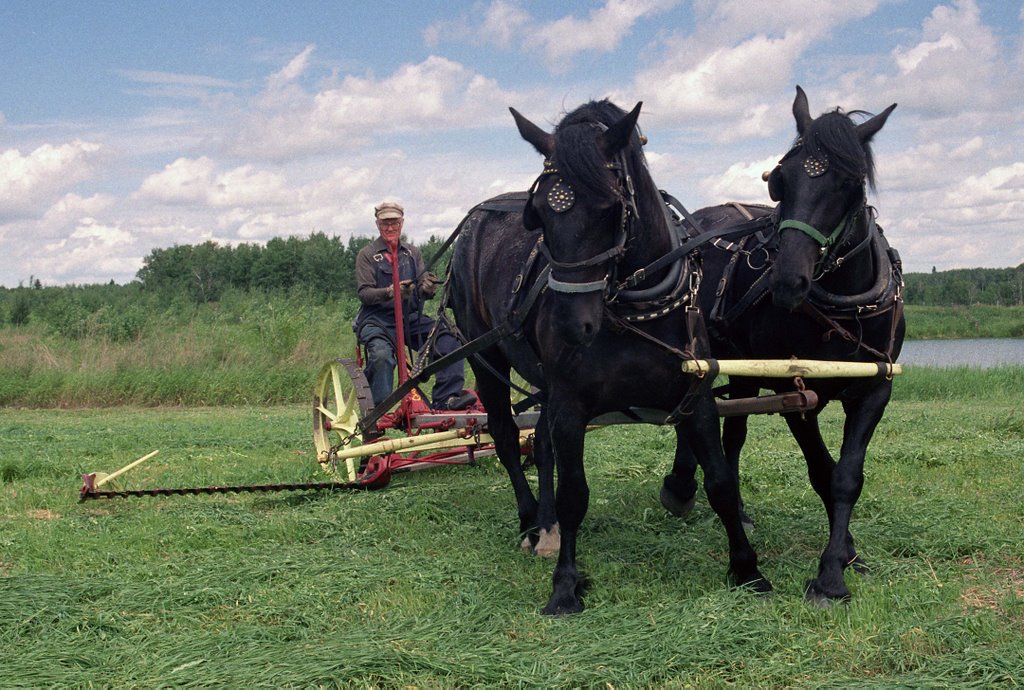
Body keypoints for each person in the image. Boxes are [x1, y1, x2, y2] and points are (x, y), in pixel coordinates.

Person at [352, 200, 476, 410]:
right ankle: (377, 412)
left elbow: (420, 287)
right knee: (382, 357)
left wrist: (426, 289)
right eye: (385, 223)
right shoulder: (367, 255)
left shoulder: (412, 253)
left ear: (402, 223)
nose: (390, 227)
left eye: (394, 222)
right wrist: (390, 291)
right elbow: (365, 293)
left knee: (449, 341)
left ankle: (446, 399)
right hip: (376, 321)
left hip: (410, 320)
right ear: (377, 225)